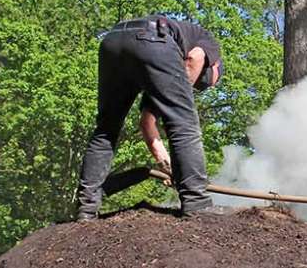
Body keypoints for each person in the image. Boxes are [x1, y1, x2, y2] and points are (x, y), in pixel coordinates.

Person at [74, 15, 223, 220]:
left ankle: (87, 210)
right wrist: (179, 96)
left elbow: (147, 123)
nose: (200, 88)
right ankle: (197, 203)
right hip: (152, 38)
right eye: (204, 84)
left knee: (106, 129)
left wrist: (170, 166)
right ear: (214, 66)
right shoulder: (208, 43)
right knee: (184, 124)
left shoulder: (160, 69)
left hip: (112, 42)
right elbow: (194, 59)